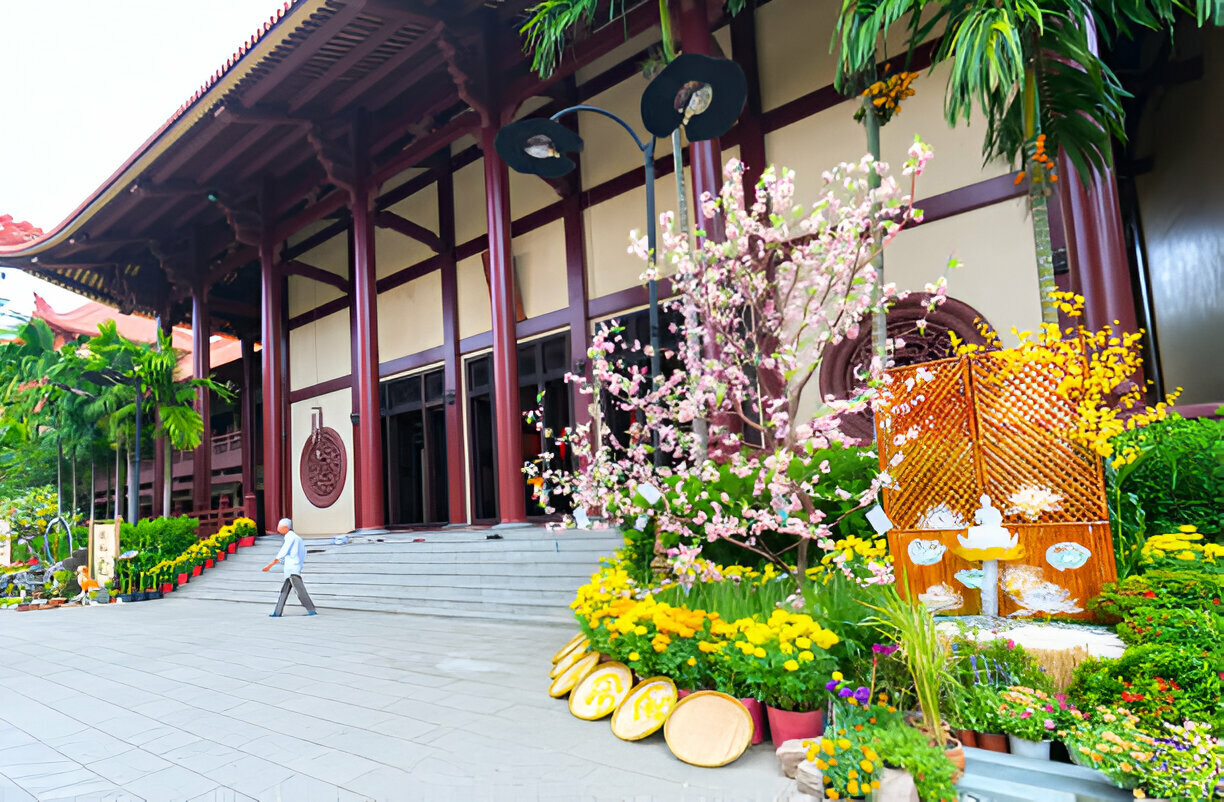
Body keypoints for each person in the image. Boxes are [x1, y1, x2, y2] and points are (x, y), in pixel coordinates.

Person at [262, 517, 317, 617]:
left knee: (300, 591)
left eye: (280, 527)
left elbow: (284, 550)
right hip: (293, 567)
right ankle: (277, 612)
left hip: (292, 569)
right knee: (284, 591)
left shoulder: (290, 537)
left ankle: (311, 610)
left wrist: (272, 563)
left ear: (285, 527)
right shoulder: (296, 538)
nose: (279, 529)